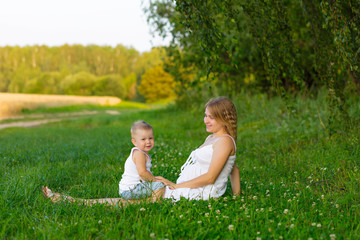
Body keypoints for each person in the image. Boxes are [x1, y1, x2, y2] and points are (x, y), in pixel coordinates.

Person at [43, 97, 240, 205]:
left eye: (211, 117)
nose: (206, 120)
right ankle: (70, 200)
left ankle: (72, 202)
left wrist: (176, 186)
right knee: (138, 199)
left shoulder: (224, 141)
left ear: (224, 118)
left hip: (200, 192)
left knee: (131, 203)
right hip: (189, 187)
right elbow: (233, 168)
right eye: (205, 115)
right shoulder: (213, 138)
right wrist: (237, 196)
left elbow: (211, 178)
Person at [43, 120, 164, 205]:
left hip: (128, 188)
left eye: (150, 138)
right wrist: (155, 180)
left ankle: (60, 198)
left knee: (158, 184)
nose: (148, 141)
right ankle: (151, 205)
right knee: (159, 185)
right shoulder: (139, 154)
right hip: (131, 189)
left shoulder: (140, 152)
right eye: (143, 139)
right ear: (134, 142)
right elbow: (143, 173)